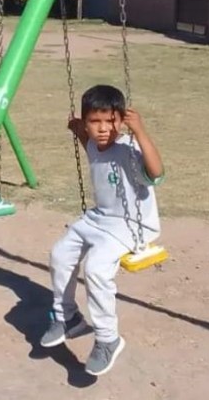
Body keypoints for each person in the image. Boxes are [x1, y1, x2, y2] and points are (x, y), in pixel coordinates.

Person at [40, 84, 166, 377]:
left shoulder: (131, 149)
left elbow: (157, 172)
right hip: (99, 219)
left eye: (110, 121)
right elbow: (92, 147)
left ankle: (108, 338)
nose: (102, 129)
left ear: (122, 121)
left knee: (96, 269)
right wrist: (77, 130)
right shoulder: (95, 144)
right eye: (94, 122)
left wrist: (141, 131)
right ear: (87, 122)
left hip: (131, 226)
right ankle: (68, 317)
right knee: (59, 254)